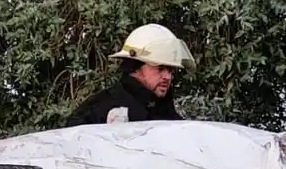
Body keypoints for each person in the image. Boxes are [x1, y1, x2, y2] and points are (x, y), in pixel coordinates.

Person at [65, 23, 195, 126]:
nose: (167, 76)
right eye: (160, 68)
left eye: (170, 70)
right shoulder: (97, 112)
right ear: (134, 68)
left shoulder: (166, 112)